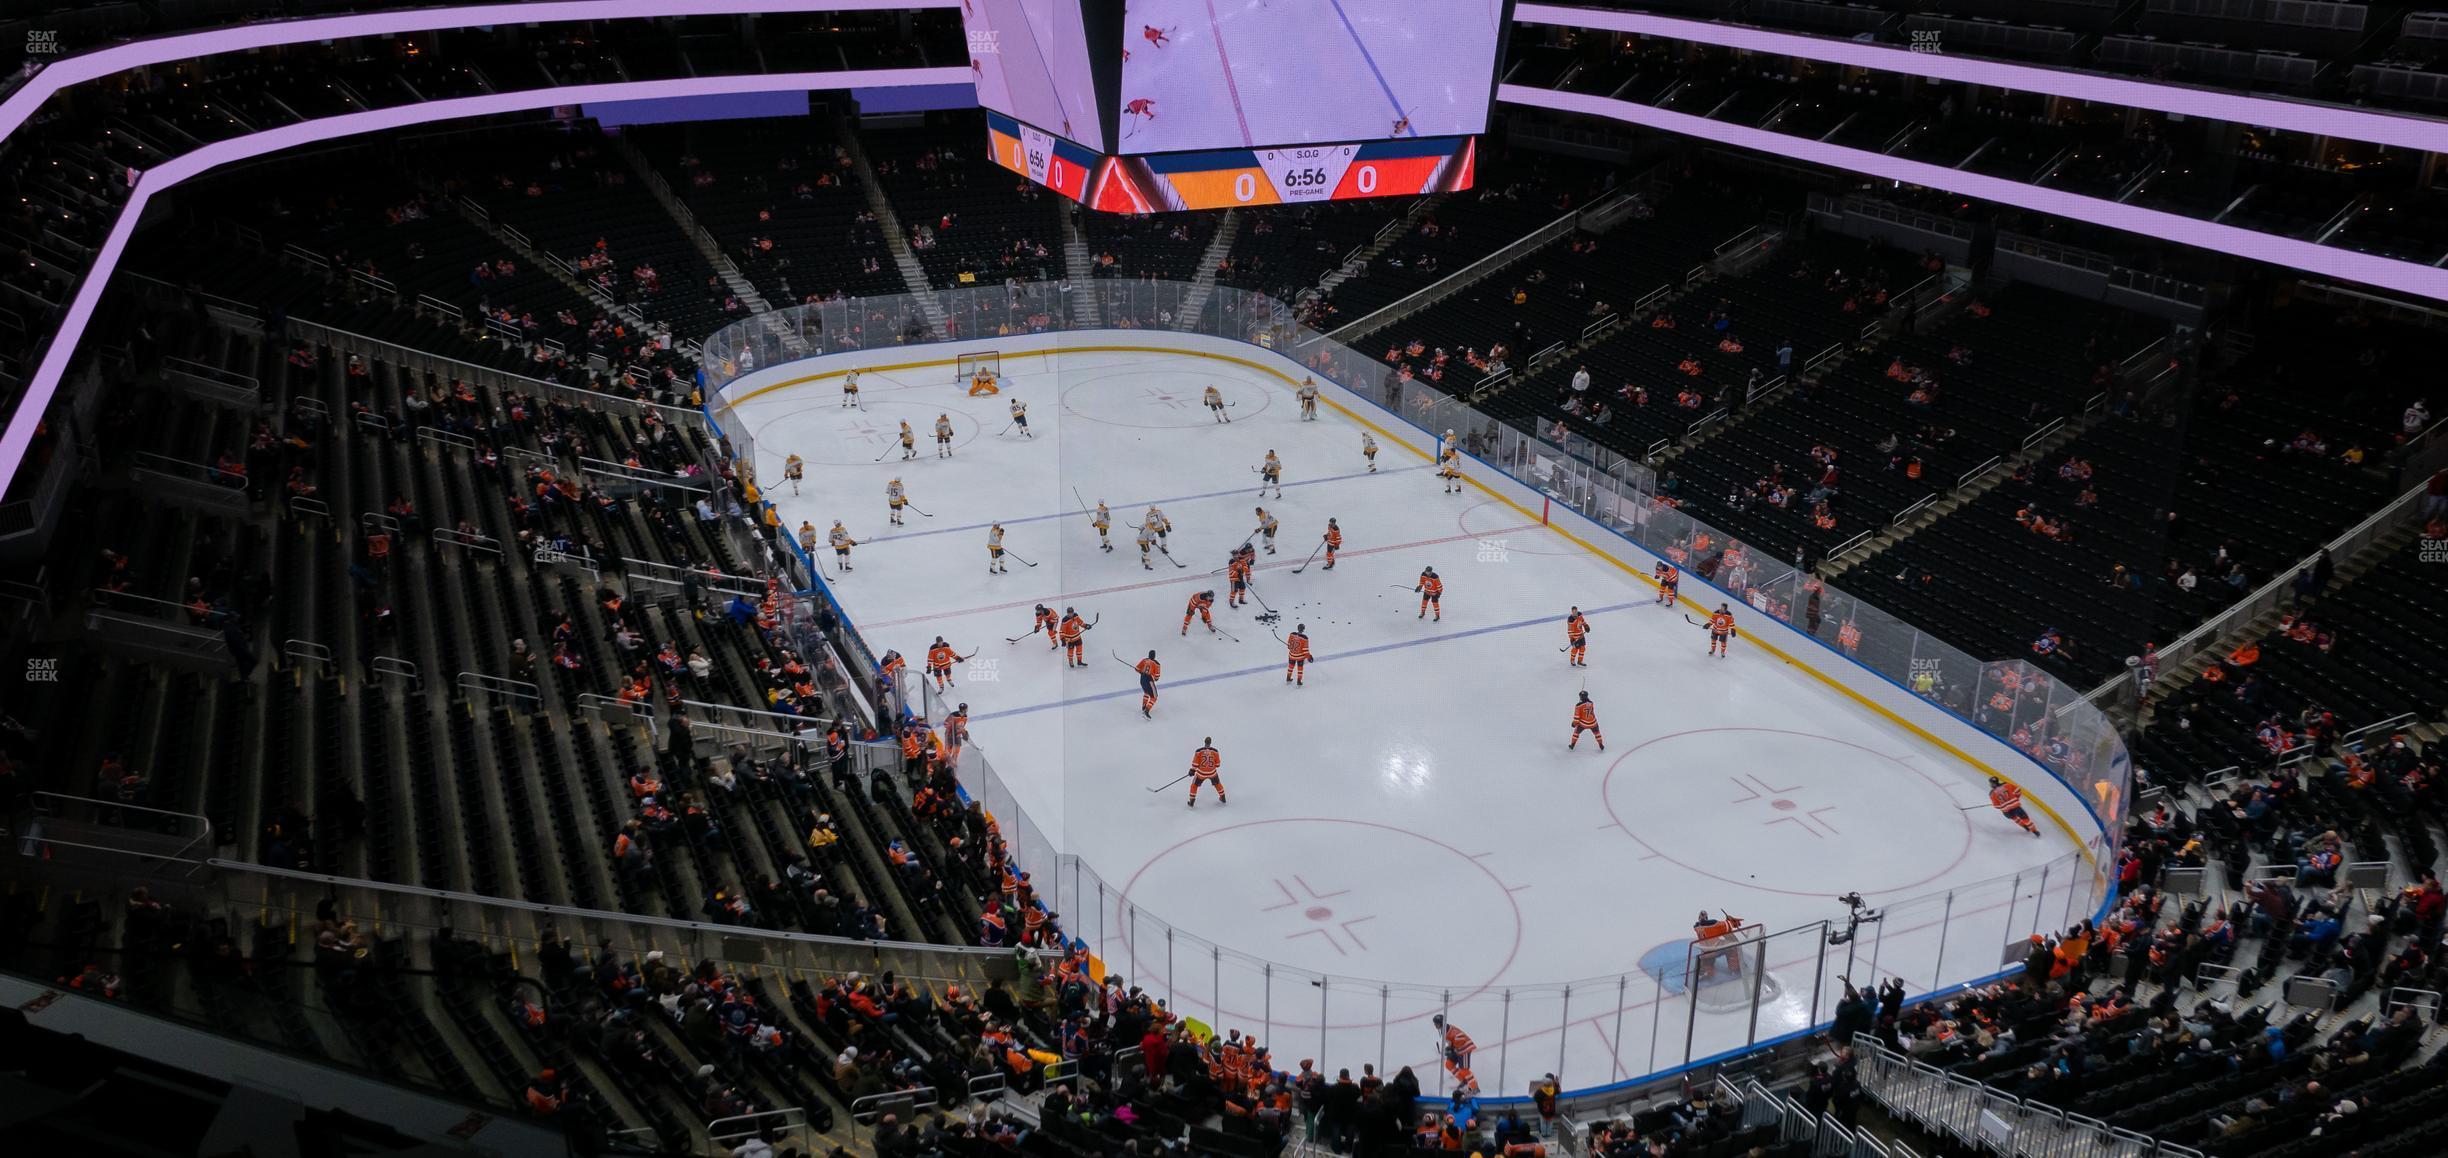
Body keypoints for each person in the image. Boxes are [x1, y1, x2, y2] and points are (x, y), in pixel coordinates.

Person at [1186, 738, 1226, 807]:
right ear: (1210, 743)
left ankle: (1192, 801)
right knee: (1217, 783)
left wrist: (1192, 770)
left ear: (1204, 742)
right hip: (1212, 773)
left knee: (1194, 785)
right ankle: (1223, 797)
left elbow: (1195, 764)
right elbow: (1218, 764)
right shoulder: (1215, 751)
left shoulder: (1199, 751)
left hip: (1201, 773)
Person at [1135, 651, 1162, 718]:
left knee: (1146, 692)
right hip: (1149, 680)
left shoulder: (1145, 660)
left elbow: (1137, 669)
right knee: (1154, 697)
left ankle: (1144, 707)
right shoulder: (1157, 664)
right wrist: (1153, 676)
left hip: (1142, 679)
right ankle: (1147, 711)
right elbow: (1157, 677)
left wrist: (1141, 672)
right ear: (1154, 656)